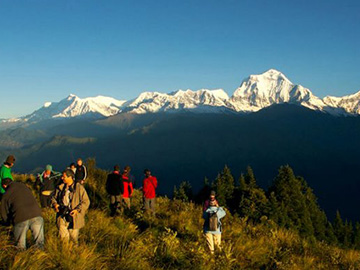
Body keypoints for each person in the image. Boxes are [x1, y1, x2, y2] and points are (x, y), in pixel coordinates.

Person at [1, 178, 44, 250]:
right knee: (39, 243)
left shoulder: (6, 194)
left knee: (20, 246)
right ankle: (41, 259)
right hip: (37, 214)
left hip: (20, 217)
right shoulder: (23, 186)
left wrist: (7, 224)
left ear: (4, 186)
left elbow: (4, 213)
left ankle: (23, 259)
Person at [52, 169, 90, 244]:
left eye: (64, 177)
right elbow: (53, 199)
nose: (62, 178)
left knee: (74, 239)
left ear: (70, 177)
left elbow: (86, 201)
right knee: (63, 239)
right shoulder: (60, 187)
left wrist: (77, 210)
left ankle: (74, 254)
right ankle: (65, 253)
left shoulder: (79, 188)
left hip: (74, 218)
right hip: (61, 215)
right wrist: (55, 205)